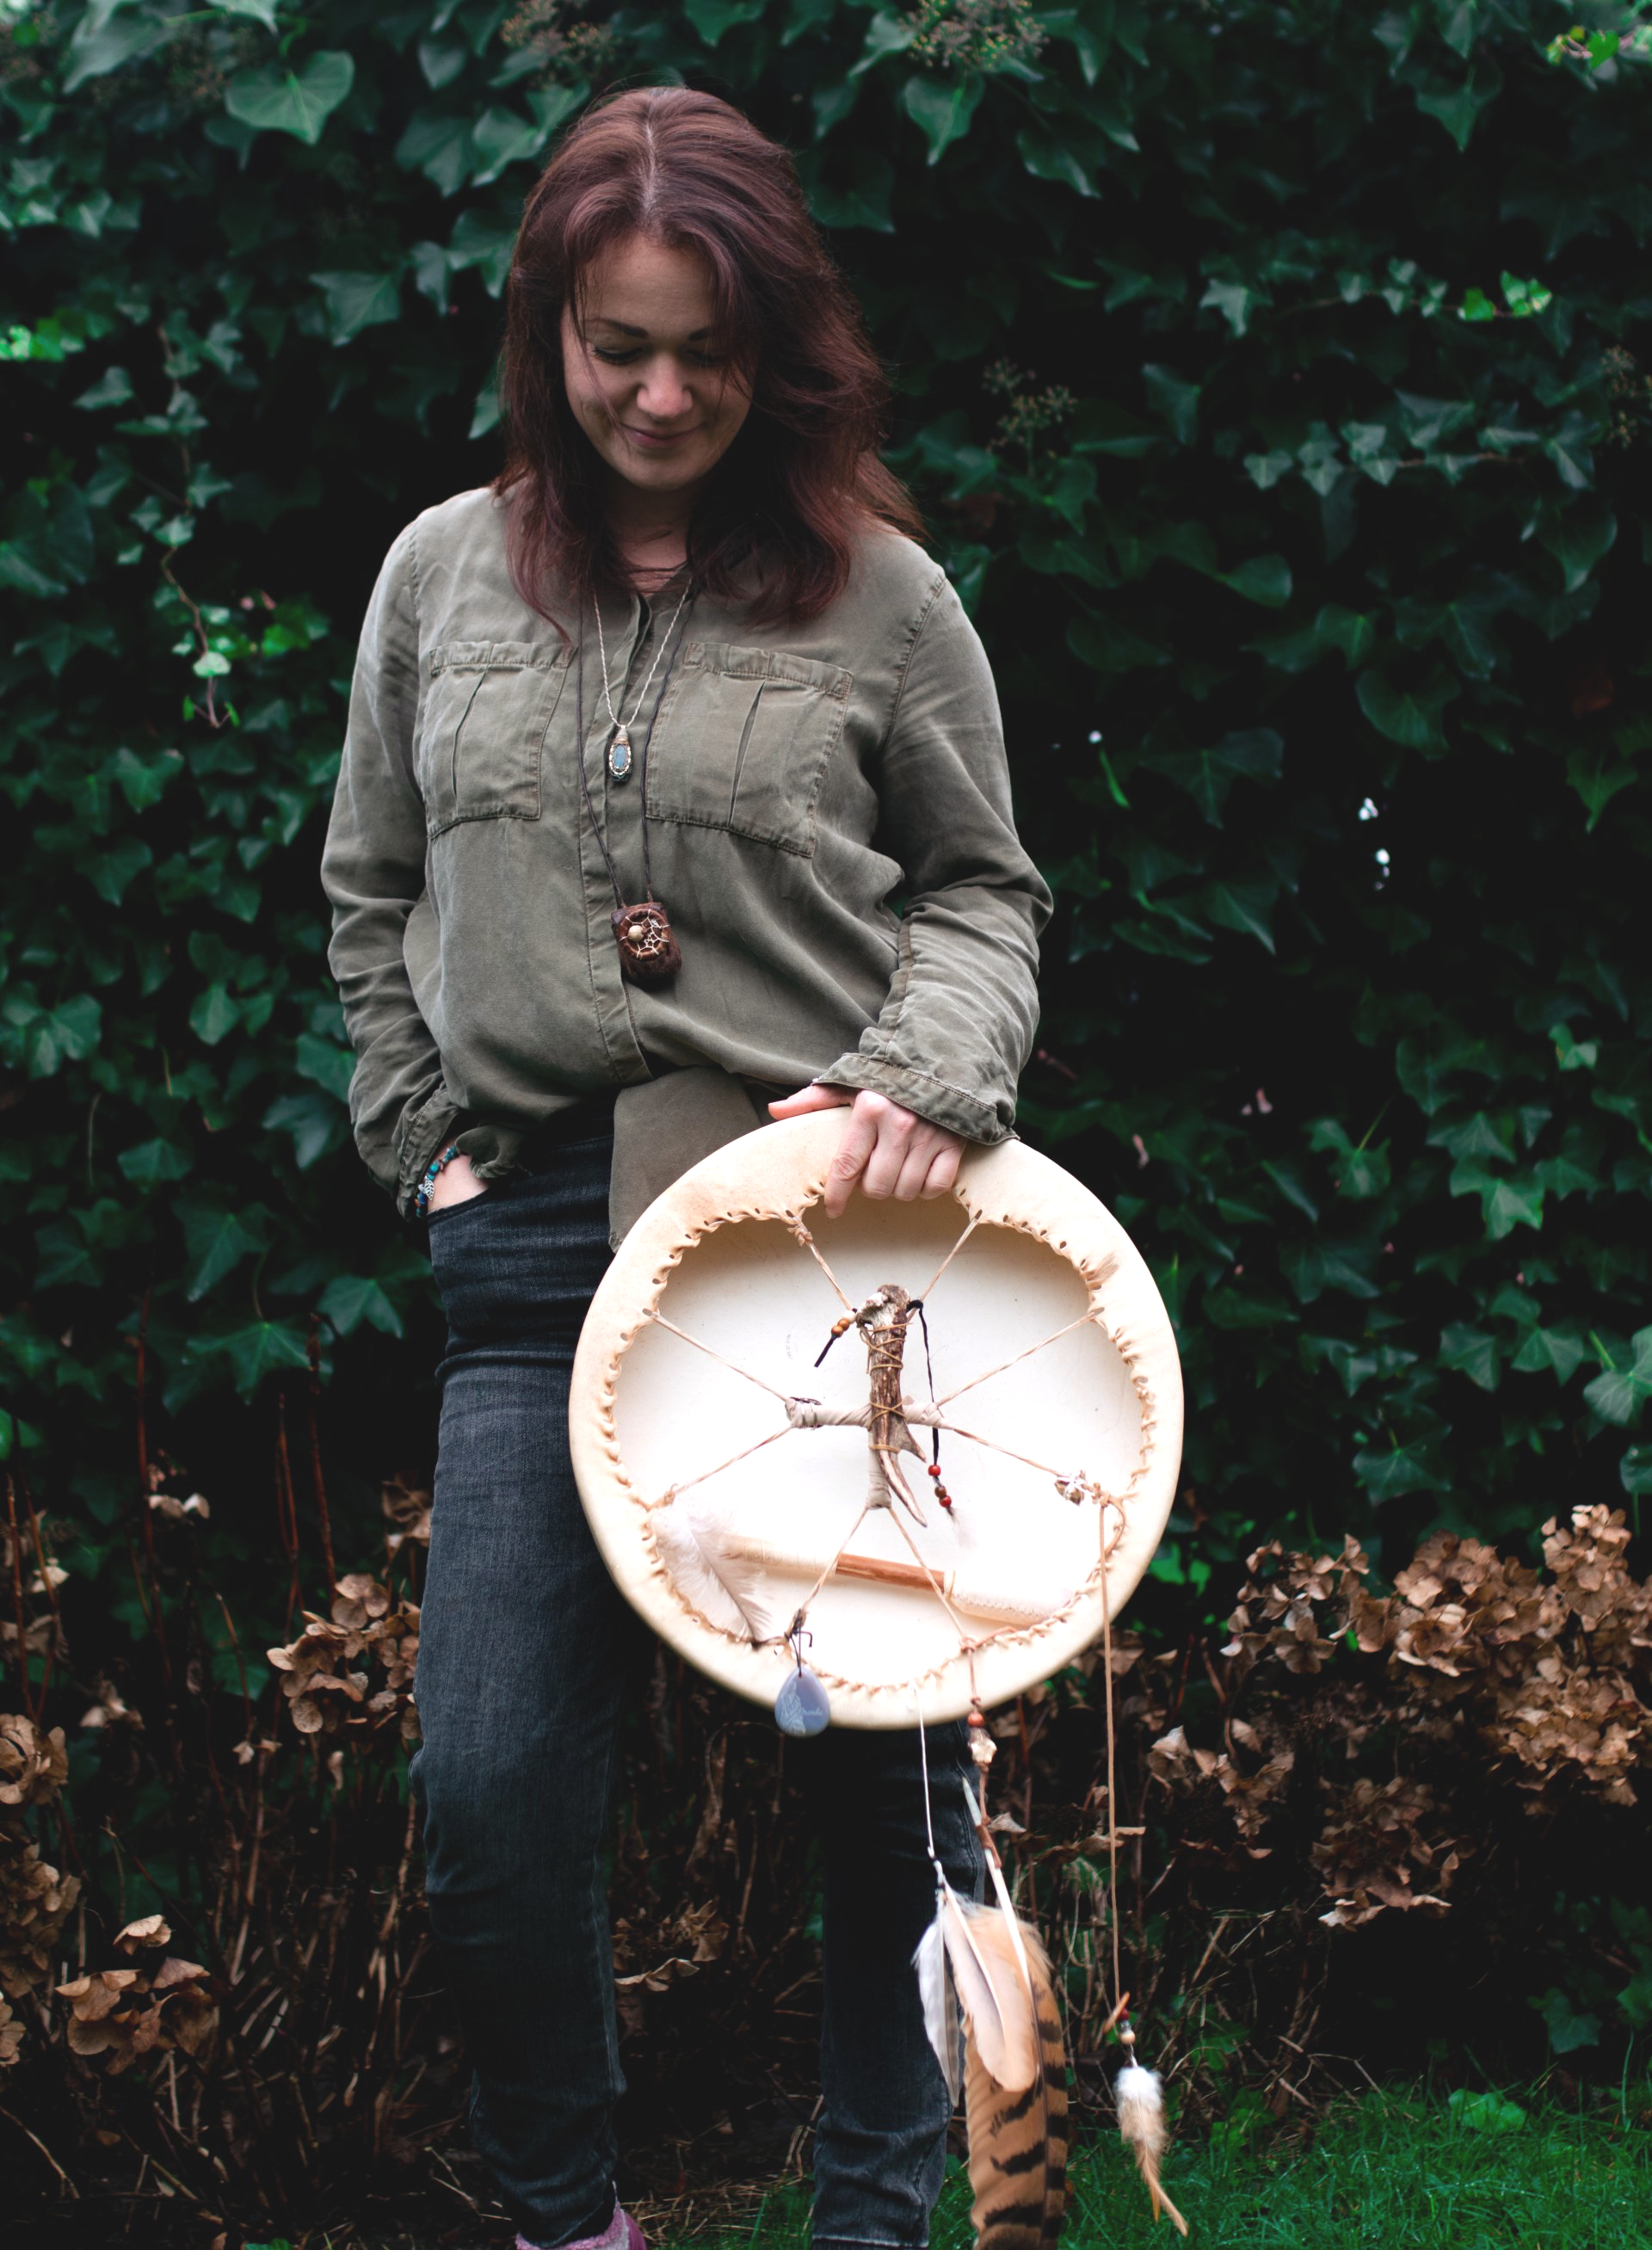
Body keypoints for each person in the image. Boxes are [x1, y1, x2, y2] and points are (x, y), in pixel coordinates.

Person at [321, 85, 1050, 2250]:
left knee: (886, 1784)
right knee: (490, 1787)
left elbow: (985, 892)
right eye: (615, 346)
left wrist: (920, 1074)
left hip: (823, 1248)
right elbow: (371, 888)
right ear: (548, 333)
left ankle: (876, 2215)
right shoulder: (435, 577)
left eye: (705, 352)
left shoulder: (886, 599)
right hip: (535, 1248)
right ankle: (572, 2219)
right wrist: (429, 1148)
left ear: (775, 347)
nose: (657, 394)